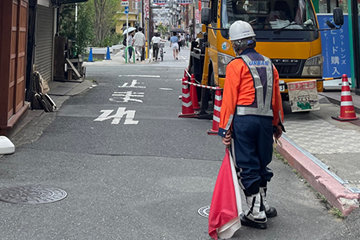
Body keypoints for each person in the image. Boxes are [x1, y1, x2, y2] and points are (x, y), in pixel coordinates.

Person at [218, 20, 284, 230]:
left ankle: (255, 213)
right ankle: (262, 204)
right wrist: (277, 124)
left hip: (244, 122)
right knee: (262, 162)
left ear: (236, 44)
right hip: (265, 121)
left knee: (247, 164)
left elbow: (229, 100)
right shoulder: (269, 64)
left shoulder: (235, 66)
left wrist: (224, 129)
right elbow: (276, 99)